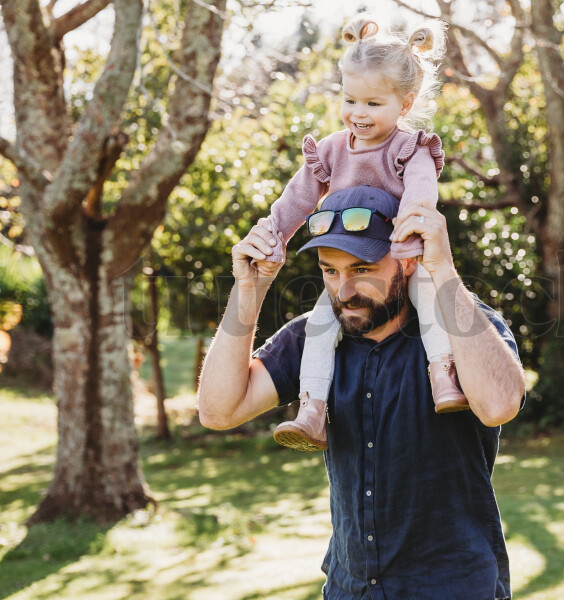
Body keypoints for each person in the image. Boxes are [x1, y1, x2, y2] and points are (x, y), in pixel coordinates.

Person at [198, 184, 526, 599]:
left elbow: (499, 405)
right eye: (330, 271)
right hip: (349, 589)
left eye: (361, 270)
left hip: (453, 588)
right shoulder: (311, 340)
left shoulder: (459, 327)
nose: (343, 291)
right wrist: (250, 290)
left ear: (406, 262)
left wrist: (441, 267)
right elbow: (217, 411)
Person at [257, 14, 464, 452]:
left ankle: (443, 377)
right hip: (351, 254)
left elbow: (421, 195)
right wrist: (274, 232)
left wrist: (410, 239)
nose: (358, 113)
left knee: (431, 305)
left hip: (401, 252)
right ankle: (312, 410)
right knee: (319, 325)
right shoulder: (330, 150)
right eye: (350, 100)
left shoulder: (410, 148)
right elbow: (297, 198)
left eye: (373, 103)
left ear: (404, 104)